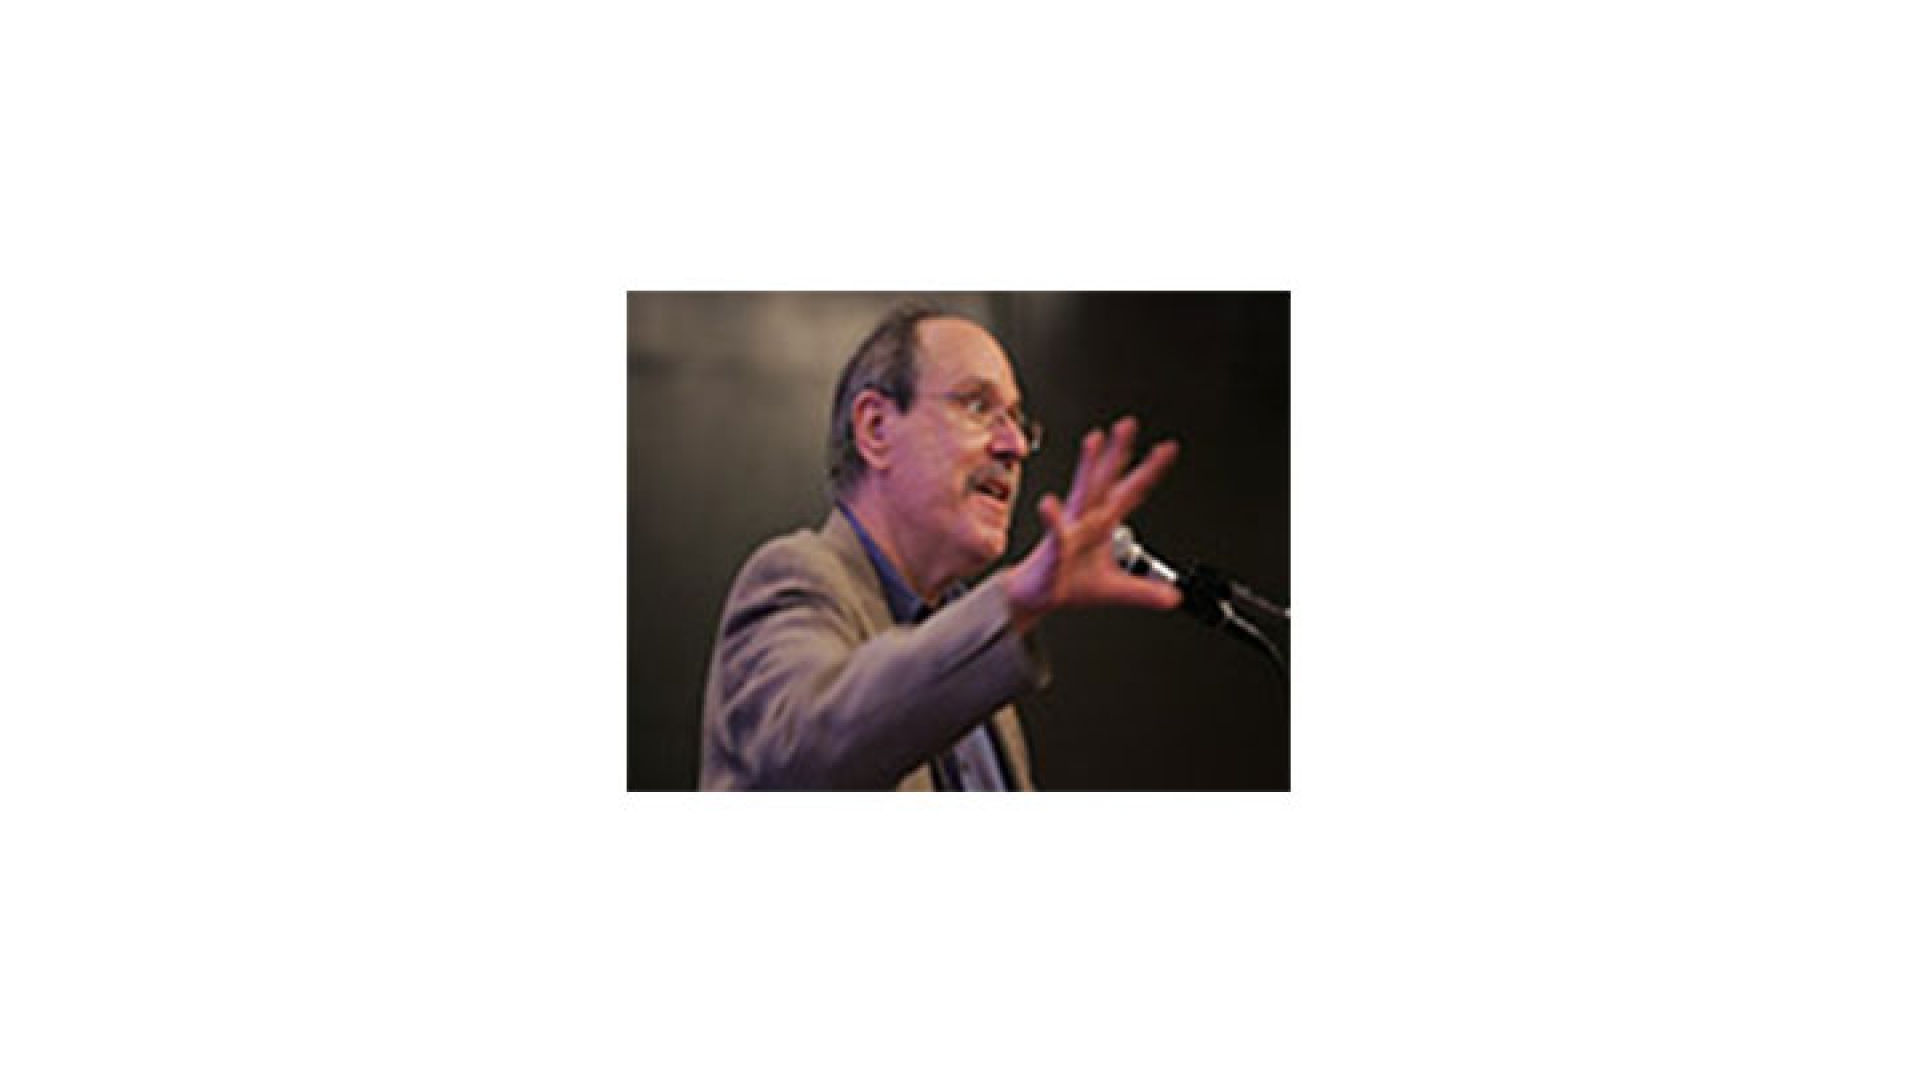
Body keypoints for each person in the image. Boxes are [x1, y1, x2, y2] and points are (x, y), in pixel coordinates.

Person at [698, 304, 1182, 790]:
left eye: (1017, 420)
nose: (1014, 445)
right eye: (977, 406)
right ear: (875, 429)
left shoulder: (979, 654)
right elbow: (804, 753)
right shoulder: (798, 577)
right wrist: (1011, 600)